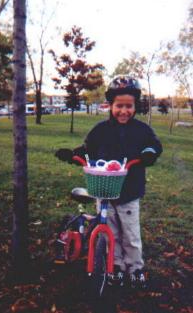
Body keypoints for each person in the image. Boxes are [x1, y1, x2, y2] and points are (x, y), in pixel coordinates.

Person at [55, 75, 163, 288]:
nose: (124, 111)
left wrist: (149, 153)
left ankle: (135, 267)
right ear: (110, 105)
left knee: (130, 234)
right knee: (110, 232)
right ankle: (116, 266)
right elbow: (87, 150)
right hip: (103, 191)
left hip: (129, 192)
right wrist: (72, 155)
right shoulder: (100, 131)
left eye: (129, 106)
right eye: (119, 106)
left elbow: (155, 145)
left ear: (135, 106)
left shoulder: (142, 131)